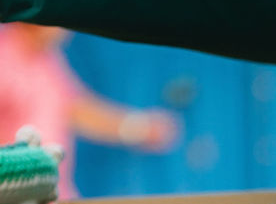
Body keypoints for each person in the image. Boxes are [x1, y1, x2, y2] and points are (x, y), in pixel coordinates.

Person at [0, 23, 180, 194]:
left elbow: (75, 109)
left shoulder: (46, 59)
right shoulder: (5, 54)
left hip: (48, 203)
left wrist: (139, 128)